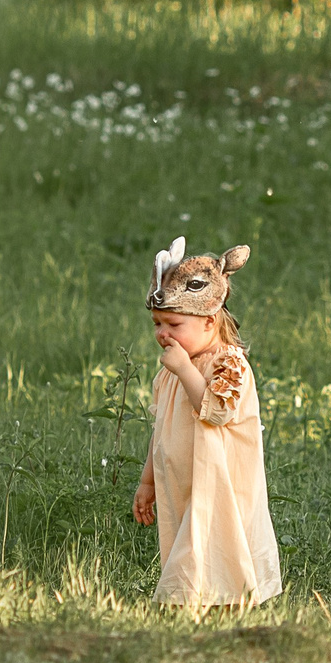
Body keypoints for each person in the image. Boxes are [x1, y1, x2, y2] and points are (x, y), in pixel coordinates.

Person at [131, 236, 282, 609]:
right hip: (184, 483)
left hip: (220, 484)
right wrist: (147, 481)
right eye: (157, 323)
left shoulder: (228, 363)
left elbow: (216, 411)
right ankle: (197, 607)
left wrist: (185, 370)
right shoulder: (171, 371)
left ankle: (215, 608)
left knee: (218, 546)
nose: (162, 334)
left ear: (209, 321)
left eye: (173, 323)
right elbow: (161, 429)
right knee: (191, 546)